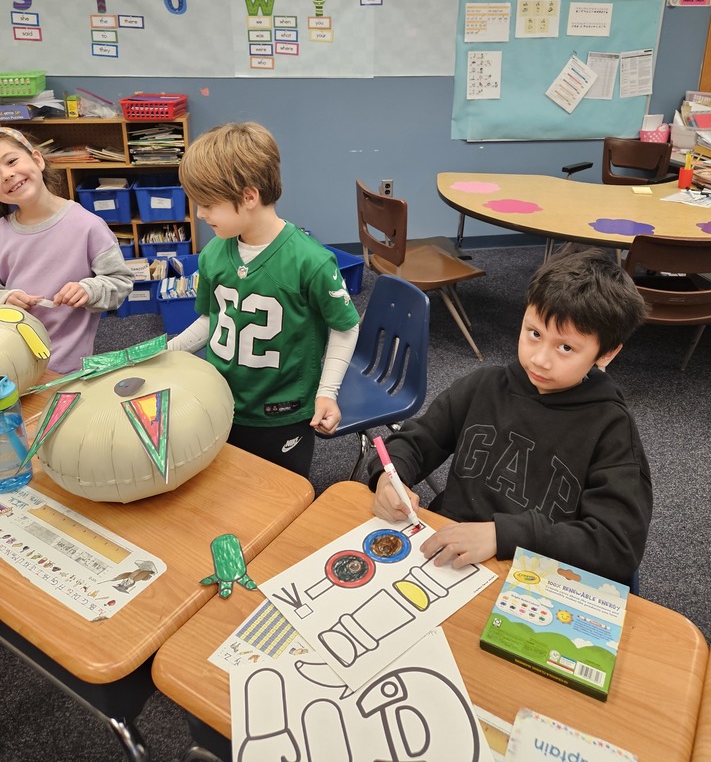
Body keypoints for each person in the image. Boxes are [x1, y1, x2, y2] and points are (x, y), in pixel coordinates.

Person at [369, 246, 651, 585]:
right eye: (534, 333)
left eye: (566, 348)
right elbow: (416, 441)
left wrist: (502, 536)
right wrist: (390, 477)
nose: (540, 360)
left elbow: (616, 547)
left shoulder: (612, 430)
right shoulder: (483, 386)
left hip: (532, 578)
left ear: (606, 352)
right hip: (448, 559)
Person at [169, 121, 360, 478]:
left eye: (208, 204)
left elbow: (346, 327)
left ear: (248, 197)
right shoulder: (213, 253)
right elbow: (213, 319)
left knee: (282, 493)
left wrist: (327, 392)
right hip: (223, 400)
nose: (199, 214)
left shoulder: (311, 261)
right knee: (229, 489)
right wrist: (171, 351)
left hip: (282, 414)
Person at [0, 126, 133, 374]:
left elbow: (121, 282)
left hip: (68, 367)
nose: (6, 174)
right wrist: (6, 299)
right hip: (12, 362)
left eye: (11, 161)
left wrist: (89, 289)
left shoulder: (88, 226)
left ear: (37, 159)